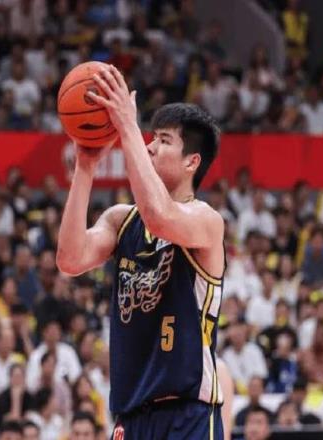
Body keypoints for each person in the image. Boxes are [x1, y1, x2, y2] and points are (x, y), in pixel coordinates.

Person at [57, 64, 225, 438]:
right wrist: (85, 167)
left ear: (192, 161)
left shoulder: (207, 222)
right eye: (151, 137)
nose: (150, 146)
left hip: (187, 414)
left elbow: (160, 217)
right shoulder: (121, 220)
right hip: (131, 417)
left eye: (163, 140)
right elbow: (70, 259)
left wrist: (127, 125)